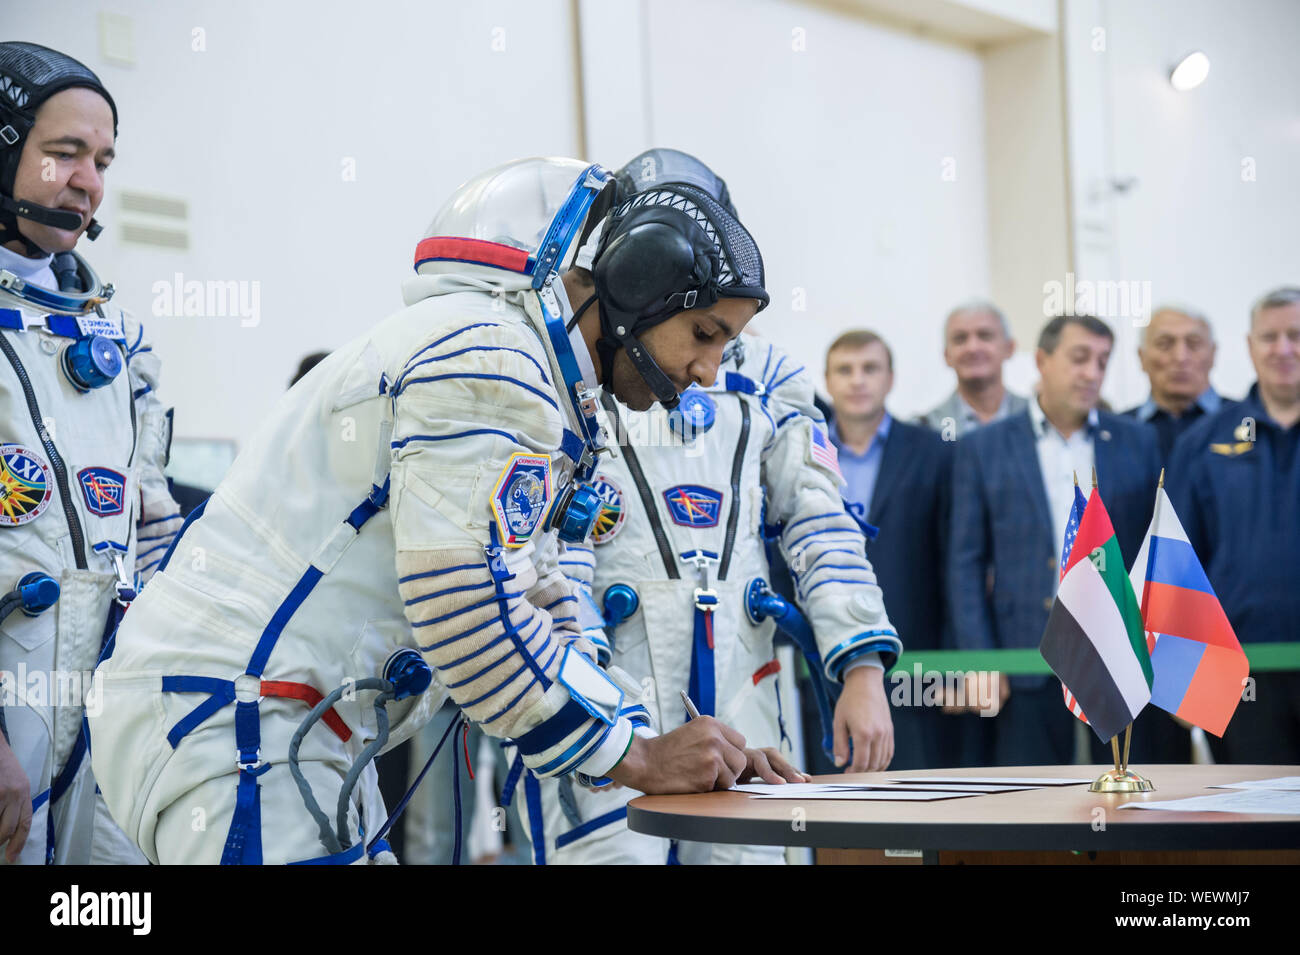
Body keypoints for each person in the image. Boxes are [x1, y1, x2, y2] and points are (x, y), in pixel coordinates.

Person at [89, 157, 796, 866]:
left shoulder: (522, 367)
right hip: (241, 720)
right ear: (639, 288)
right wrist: (637, 755)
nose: (709, 370)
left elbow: (538, 590)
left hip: (294, 724)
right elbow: (465, 606)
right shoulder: (485, 358)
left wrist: (659, 741)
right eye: (704, 334)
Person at [511, 152, 898, 865]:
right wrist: (582, 676)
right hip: (612, 680)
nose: (705, 360)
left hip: (744, 685)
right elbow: (548, 540)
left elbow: (819, 516)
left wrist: (863, 666)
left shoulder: (769, 375)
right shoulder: (576, 367)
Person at [0, 42, 181, 865]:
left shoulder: (119, 343)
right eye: (63, 154)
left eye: (102, 160)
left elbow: (153, 536)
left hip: (111, 706)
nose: (88, 183)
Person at [948, 315, 1160, 765]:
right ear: (1042, 360)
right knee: (1035, 804)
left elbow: (1152, 551)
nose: (1091, 372)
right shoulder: (983, 447)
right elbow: (965, 563)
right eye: (1079, 358)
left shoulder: (1137, 442)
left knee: (1121, 801)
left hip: (1116, 656)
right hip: (1026, 657)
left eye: (1102, 361)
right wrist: (984, 660)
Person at [1167, 287, 1300, 764]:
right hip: (1240, 678)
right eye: (1270, 337)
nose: (1283, 349)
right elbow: (1178, 562)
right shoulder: (1204, 443)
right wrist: (1182, 673)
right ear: (1249, 346)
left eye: (1296, 335)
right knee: (1254, 825)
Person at [823, 330, 951, 770]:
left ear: (890, 378)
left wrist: (953, 659)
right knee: (832, 794)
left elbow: (954, 560)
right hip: (823, 655)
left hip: (915, 654)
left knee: (911, 792)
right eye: (845, 370)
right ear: (827, 380)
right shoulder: (803, 450)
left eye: (870, 369)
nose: (858, 380)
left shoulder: (934, 452)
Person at [1125, 306, 1222, 461]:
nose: (1180, 357)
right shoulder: (1116, 432)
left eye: (1194, 344)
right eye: (1164, 344)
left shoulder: (1248, 425)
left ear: (1213, 354)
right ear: (1141, 356)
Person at [920, 301, 1029, 439]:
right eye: (960, 339)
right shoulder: (926, 429)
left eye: (985, 336)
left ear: (1009, 348)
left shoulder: (1038, 418)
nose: (972, 348)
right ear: (947, 355)